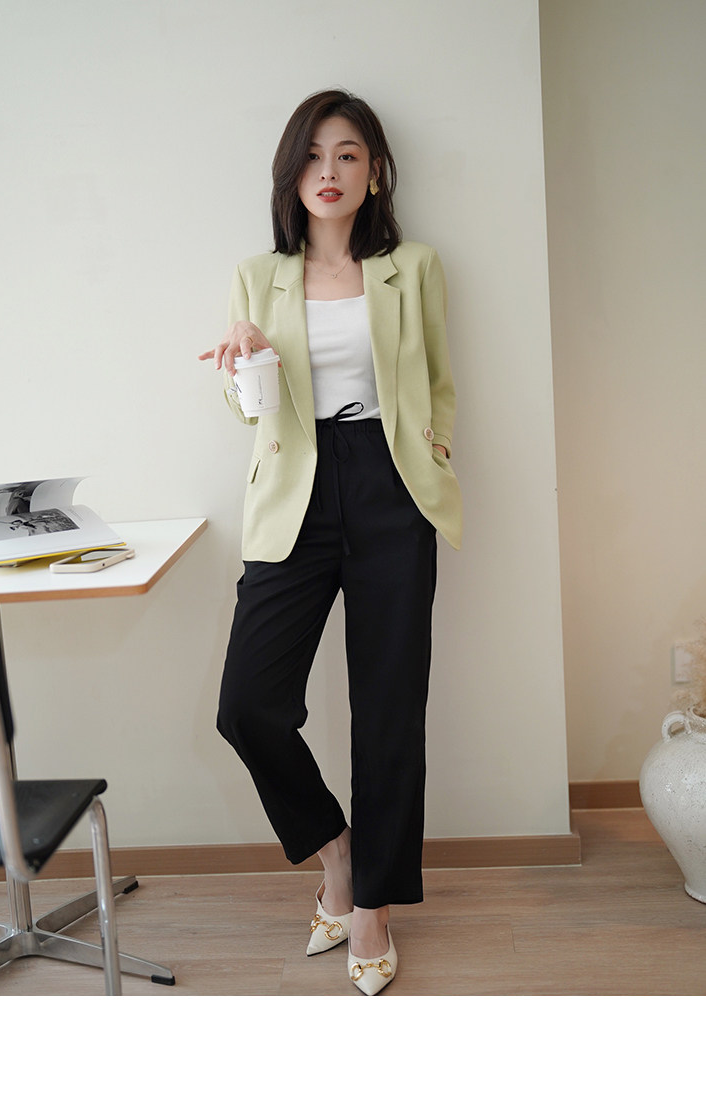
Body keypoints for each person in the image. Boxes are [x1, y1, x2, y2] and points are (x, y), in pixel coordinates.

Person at [200, 88, 462, 995]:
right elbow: (250, 411)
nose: (329, 171)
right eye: (313, 155)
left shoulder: (412, 267)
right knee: (248, 706)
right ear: (291, 173)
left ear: (375, 171)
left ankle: (373, 907)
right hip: (294, 492)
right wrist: (242, 356)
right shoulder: (257, 276)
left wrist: (432, 453)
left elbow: (438, 381)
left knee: (389, 709)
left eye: (348, 154)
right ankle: (338, 854)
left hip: (392, 486)